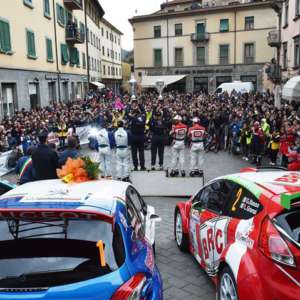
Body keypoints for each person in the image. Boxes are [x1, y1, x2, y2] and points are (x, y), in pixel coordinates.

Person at [128, 99, 146, 171]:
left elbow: (127, 113)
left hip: (134, 136)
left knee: (134, 153)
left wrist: (131, 105)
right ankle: (142, 166)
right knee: (141, 152)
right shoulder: (143, 117)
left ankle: (135, 166)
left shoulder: (132, 117)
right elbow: (144, 111)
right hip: (141, 136)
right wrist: (139, 105)